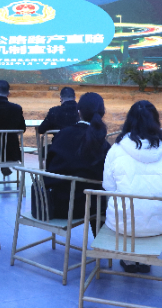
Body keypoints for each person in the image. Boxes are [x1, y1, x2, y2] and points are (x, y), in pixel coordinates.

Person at [103, 100, 162, 274]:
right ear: (156, 121)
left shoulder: (116, 149)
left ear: (129, 121)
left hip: (122, 225)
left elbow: (108, 186)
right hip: (160, 224)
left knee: (124, 209)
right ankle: (146, 258)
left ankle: (129, 260)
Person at [45, 92, 109, 231]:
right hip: (85, 207)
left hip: (53, 205)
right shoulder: (101, 143)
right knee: (104, 196)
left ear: (78, 112)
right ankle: (102, 241)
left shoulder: (62, 134)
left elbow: (49, 167)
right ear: (102, 113)